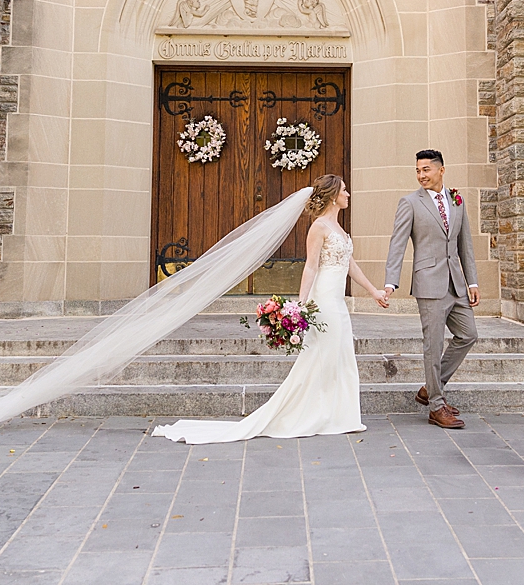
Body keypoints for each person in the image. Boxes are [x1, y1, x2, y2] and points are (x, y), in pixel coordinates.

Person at [153, 174, 390, 445]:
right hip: (323, 299)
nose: (348, 195)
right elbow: (311, 266)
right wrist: (301, 305)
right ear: (333, 196)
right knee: (321, 356)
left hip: (337, 302)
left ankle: (338, 415)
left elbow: (350, 264)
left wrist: (373, 292)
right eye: (345, 191)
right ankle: (313, 414)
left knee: (340, 354)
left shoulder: (339, 230)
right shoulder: (319, 227)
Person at [385, 149, 478, 429]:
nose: (421, 175)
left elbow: (466, 244)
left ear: (441, 170)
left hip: (456, 283)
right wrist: (391, 281)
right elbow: (397, 243)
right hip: (428, 283)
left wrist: (472, 281)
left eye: (426, 169)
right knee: (433, 344)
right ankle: (436, 406)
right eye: (417, 170)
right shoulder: (410, 202)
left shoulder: (456, 200)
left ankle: (429, 388)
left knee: (468, 335)